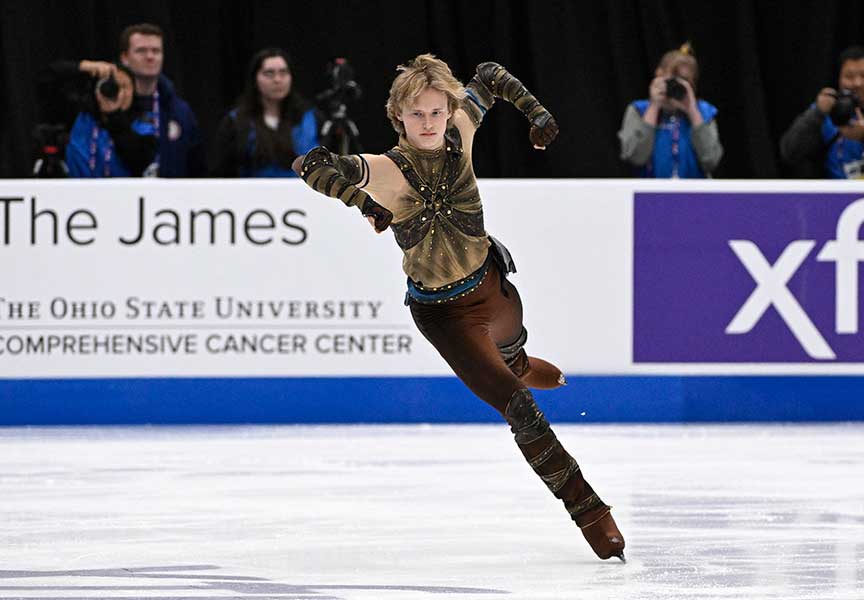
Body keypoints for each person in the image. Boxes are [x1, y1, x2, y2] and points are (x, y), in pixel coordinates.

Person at [293, 54, 626, 562]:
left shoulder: (461, 129)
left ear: (448, 112)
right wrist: (363, 203)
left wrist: (538, 115)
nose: (427, 123)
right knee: (520, 407)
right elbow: (311, 164)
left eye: (435, 112)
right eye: (416, 114)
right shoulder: (382, 169)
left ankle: (518, 362)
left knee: (514, 357)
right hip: (445, 316)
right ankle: (591, 511)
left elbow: (491, 77)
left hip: (492, 284)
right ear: (397, 117)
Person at [780, 46, 864, 179]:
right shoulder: (826, 114)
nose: (857, 83)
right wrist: (817, 112)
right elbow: (790, 152)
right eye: (849, 76)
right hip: (836, 197)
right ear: (839, 79)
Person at [210, 48, 320, 177]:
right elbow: (221, 172)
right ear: (255, 79)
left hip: (303, 194)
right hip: (251, 194)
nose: (278, 80)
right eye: (269, 73)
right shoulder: (236, 122)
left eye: (283, 72)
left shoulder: (311, 117)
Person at [618, 43, 723, 178]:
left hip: (694, 195)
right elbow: (636, 158)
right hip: (651, 195)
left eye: (684, 81)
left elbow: (711, 161)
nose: (676, 86)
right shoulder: (639, 110)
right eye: (673, 79)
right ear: (659, 74)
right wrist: (654, 106)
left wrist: (692, 111)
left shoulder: (704, 112)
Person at [118, 23, 205, 177]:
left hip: (169, 198)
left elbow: (196, 168)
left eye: (156, 51)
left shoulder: (180, 111)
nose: (150, 57)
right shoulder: (110, 107)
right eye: (141, 51)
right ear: (125, 58)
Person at [55, 60, 158, 177]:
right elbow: (45, 80)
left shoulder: (145, 124)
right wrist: (84, 66)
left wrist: (114, 115)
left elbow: (141, 162)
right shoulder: (82, 118)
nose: (119, 93)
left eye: (124, 87)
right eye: (114, 86)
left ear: (134, 91)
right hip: (78, 191)